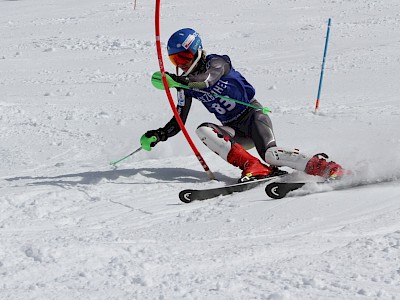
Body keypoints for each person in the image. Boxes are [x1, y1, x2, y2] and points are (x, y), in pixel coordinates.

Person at [140, 28, 345, 182]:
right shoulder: (185, 84)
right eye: (175, 60)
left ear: (197, 51)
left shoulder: (218, 62)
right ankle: (254, 167)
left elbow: (207, 79)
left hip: (254, 117)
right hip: (233, 129)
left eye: (184, 57)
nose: (181, 65)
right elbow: (179, 120)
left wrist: (178, 81)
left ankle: (324, 167)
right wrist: (159, 134)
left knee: (271, 155)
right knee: (203, 130)